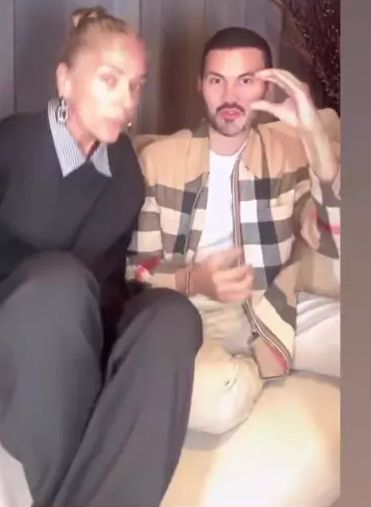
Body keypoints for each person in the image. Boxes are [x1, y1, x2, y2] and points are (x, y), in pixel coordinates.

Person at [0, 7, 202, 507]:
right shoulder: (8, 149)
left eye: (136, 86)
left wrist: (168, 296)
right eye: (110, 80)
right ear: (65, 80)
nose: (127, 101)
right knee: (58, 281)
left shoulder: (125, 170)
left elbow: (110, 282)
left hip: (78, 343)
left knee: (173, 317)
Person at [127, 26, 340, 435]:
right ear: (200, 85)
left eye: (245, 81)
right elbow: (138, 268)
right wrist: (193, 280)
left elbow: (332, 237)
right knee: (212, 404)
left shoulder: (290, 151)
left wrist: (314, 135)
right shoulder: (158, 160)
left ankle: (265, 354)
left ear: (268, 87)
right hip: (191, 315)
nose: (230, 97)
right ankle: (258, 366)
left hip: (274, 304)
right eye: (216, 80)